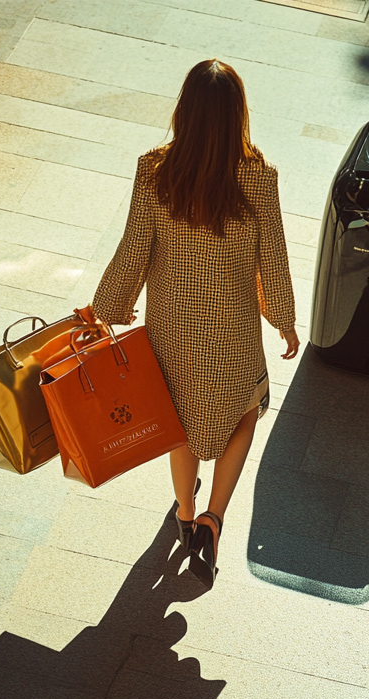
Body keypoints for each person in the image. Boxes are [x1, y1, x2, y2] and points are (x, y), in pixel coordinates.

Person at [93, 59, 299, 588]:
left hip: (172, 331)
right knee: (246, 411)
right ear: (238, 116)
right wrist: (284, 319)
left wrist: (109, 307)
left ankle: (184, 514)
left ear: (183, 110)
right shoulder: (259, 178)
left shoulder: (154, 171)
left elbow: (134, 249)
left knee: (177, 419)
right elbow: (271, 259)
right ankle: (213, 518)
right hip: (233, 332)